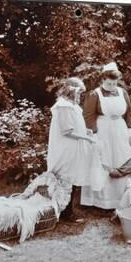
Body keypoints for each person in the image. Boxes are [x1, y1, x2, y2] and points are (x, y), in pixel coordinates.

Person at [80, 62, 131, 209]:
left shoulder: (122, 92)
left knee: (122, 157)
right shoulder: (95, 94)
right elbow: (88, 116)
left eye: (114, 82)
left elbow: (130, 114)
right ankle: (100, 201)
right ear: (103, 79)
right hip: (102, 131)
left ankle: (121, 199)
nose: (112, 85)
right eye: (109, 83)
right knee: (103, 160)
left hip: (120, 130)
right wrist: (93, 135)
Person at [47, 77, 96, 218]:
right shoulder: (63, 106)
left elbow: (75, 125)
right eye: (79, 92)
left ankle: (69, 210)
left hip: (74, 146)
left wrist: (85, 131)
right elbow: (66, 131)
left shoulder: (72, 105)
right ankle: (64, 211)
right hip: (66, 147)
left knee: (74, 175)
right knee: (66, 177)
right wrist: (85, 138)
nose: (80, 95)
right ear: (71, 90)